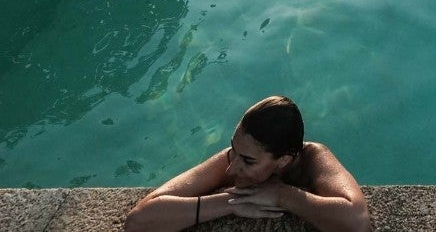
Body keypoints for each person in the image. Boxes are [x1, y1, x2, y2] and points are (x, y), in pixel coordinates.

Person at [124, 96, 371, 232]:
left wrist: (281, 195)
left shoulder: (313, 159)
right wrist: (230, 202)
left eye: (248, 161)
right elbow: (140, 221)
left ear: (284, 160)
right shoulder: (235, 157)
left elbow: (356, 221)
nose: (232, 169)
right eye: (234, 150)